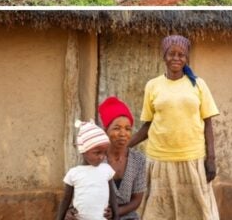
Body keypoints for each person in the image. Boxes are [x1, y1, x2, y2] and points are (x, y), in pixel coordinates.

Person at [129, 34, 220, 220]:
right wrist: (124, 145)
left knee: (196, 213)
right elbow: (148, 125)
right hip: (160, 160)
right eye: (172, 54)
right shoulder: (153, 86)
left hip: (192, 159)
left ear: (187, 58)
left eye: (181, 55)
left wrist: (211, 158)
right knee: (160, 213)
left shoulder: (198, 85)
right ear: (164, 56)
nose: (176, 58)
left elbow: (208, 124)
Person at [56, 120, 118, 220]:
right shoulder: (74, 173)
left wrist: (116, 216)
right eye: (97, 153)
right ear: (83, 151)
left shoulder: (106, 169)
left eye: (104, 152)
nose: (102, 157)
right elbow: (66, 200)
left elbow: (112, 196)